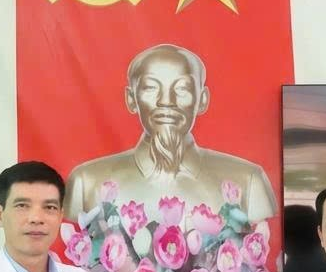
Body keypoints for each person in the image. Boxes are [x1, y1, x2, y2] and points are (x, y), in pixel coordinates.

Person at [63, 43, 278, 224]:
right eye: (151, 87)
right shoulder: (86, 182)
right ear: (131, 99)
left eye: (182, 88)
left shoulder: (248, 181)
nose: (166, 101)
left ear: (202, 99)